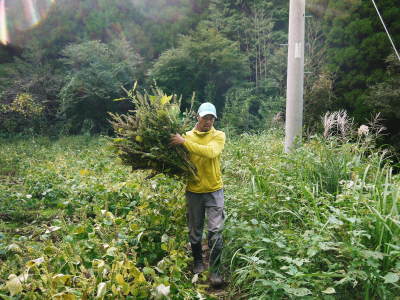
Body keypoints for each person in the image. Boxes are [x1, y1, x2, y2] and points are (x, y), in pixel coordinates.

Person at [170, 102, 225, 287]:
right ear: (198, 117)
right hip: (194, 191)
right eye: (205, 117)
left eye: (211, 118)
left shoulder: (218, 136)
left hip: (214, 190)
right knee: (195, 231)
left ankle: (215, 271)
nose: (208, 121)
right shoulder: (185, 136)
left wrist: (185, 143)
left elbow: (211, 153)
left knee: (215, 232)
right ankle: (198, 262)